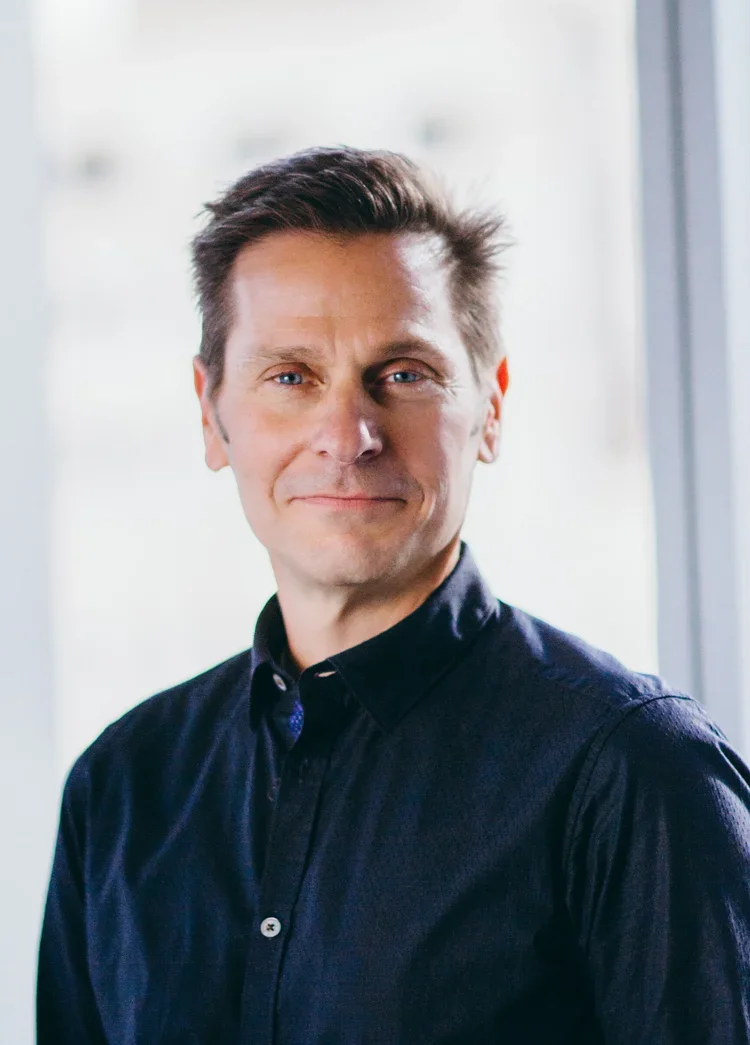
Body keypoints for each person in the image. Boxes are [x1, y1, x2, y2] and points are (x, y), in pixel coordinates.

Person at [38, 146, 750, 1045]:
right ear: (210, 411)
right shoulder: (121, 787)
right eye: (291, 377)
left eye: (404, 373)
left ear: (491, 406)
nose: (349, 435)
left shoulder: (634, 772)